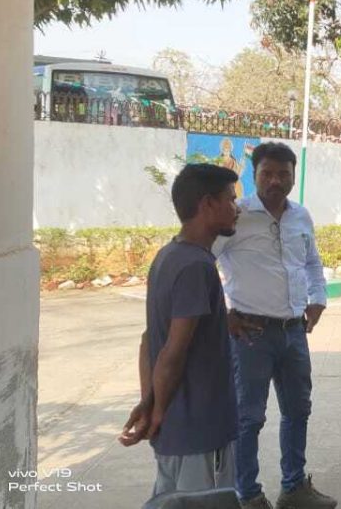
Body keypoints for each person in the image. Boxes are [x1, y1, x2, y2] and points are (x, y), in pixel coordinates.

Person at [214, 142, 337, 509]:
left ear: (293, 176)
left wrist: (318, 298)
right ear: (254, 175)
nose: (275, 181)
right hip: (250, 334)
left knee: (298, 411)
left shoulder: (301, 216)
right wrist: (223, 314)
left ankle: (294, 488)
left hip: (294, 331)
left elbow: (312, 262)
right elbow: (202, 261)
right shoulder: (236, 216)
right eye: (267, 173)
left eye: (283, 174)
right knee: (249, 418)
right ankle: (248, 495)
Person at [118, 164, 240, 501]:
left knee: (170, 502)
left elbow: (148, 341)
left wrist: (150, 403)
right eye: (230, 199)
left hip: (178, 428)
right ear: (207, 204)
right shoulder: (197, 267)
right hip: (199, 428)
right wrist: (157, 413)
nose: (237, 208)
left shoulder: (168, 256)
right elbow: (173, 351)